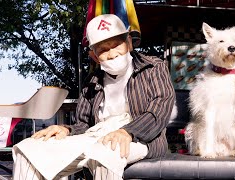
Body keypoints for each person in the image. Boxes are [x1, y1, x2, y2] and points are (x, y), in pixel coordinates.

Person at [12, 14, 175, 180]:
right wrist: (66, 130)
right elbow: (84, 124)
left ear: (129, 43)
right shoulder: (92, 81)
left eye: (117, 44)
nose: (112, 54)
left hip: (141, 139)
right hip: (96, 136)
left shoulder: (153, 67)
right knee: (30, 150)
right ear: (95, 56)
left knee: (105, 154)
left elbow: (159, 111)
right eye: (103, 49)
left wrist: (127, 132)